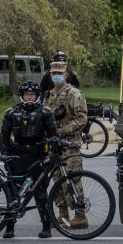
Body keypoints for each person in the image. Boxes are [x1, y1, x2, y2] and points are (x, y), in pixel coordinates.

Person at [0, 81, 58, 239]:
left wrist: (53, 150)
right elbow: (2, 138)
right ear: (22, 96)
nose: (29, 97)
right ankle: (9, 227)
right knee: (13, 192)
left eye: (32, 95)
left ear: (37, 96)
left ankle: (46, 226)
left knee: (41, 193)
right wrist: (7, 157)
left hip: (38, 156)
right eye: (26, 95)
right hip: (17, 156)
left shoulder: (45, 112)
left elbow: (53, 135)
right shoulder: (12, 113)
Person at [46, 60, 89, 228]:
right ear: (50, 75)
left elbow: (81, 119)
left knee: (72, 180)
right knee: (56, 180)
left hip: (70, 144)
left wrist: (61, 131)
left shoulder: (74, 94)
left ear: (66, 75)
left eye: (60, 73)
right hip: (54, 146)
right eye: (54, 73)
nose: (56, 76)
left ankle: (80, 216)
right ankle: (62, 214)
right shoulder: (50, 95)